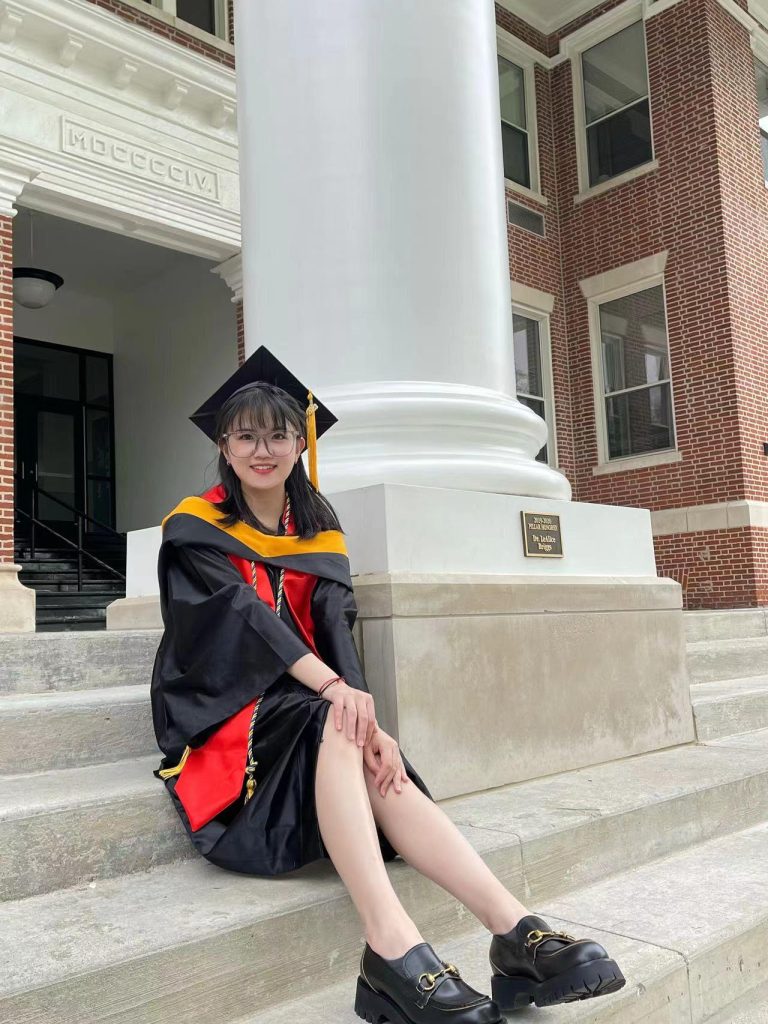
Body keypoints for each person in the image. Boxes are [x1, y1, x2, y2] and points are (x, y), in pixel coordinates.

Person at [150, 346, 626, 1023]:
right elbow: (238, 620)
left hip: (314, 702)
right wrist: (340, 698)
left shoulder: (319, 530)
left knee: (354, 733)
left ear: (300, 442)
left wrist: (371, 721)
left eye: (279, 433)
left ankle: (514, 929)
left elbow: (338, 630)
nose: (264, 449)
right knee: (333, 719)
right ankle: (391, 943)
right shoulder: (195, 525)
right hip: (229, 710)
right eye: (247, 435)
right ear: (223, 445)